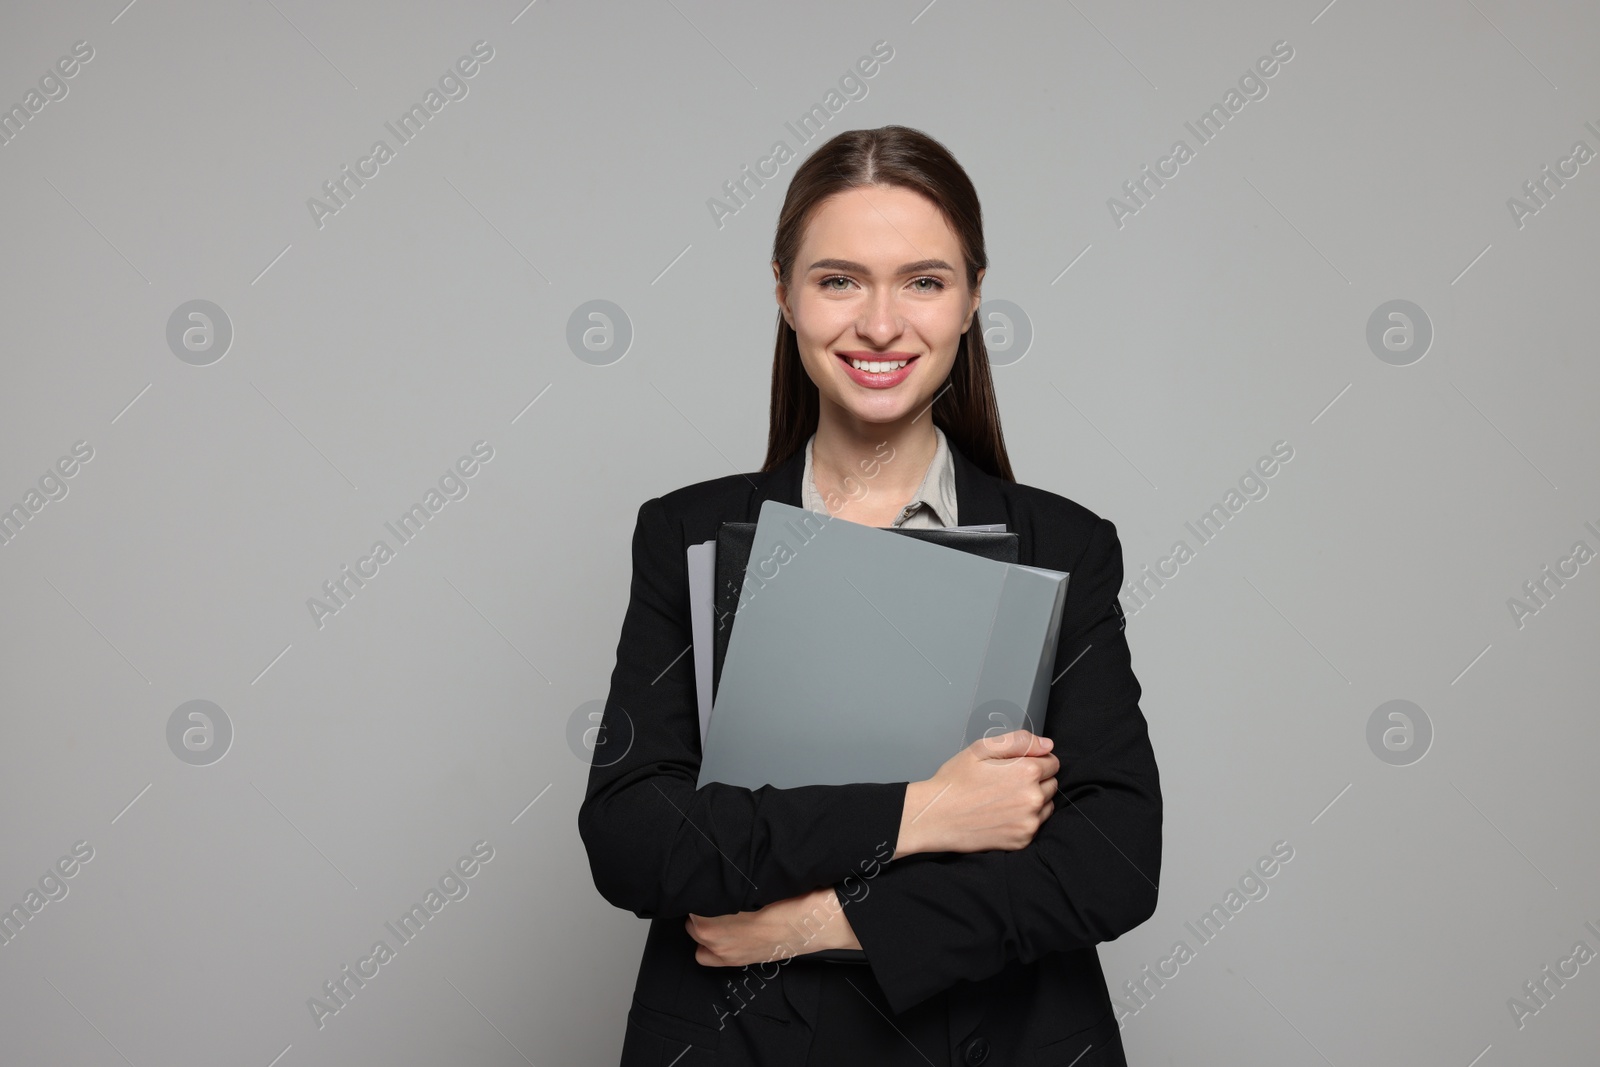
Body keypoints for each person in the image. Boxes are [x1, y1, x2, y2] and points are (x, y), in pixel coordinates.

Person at [579, 125, 1162, 1066]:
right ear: (784, 293)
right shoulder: (683, 535)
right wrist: (924, 810)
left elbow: (1115, 858)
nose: (881, 324)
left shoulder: (1070, 547)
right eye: (839, 279)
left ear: (972, 299)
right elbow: (633, 836)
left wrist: (824, 921)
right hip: (742, 1040)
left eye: (924, 281)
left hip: (998, 1035)